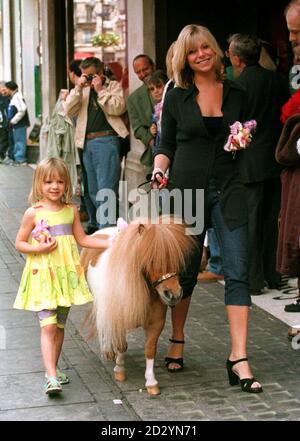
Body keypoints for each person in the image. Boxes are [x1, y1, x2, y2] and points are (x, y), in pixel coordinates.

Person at [152, 24, 262, 393]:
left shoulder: (236, 91)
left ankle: (239, 357)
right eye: (193, 51)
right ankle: (178, 338)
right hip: (187, 190)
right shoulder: (178, 95)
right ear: (184, 58)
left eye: (206, 47)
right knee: (184, 273)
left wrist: (243, 138)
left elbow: (245, 131)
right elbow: (165, 144)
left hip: (229, 188)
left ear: (215, 49)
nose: (202, 54)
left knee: (237, 270)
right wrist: (157, 170)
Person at [13, 157, 110, 395]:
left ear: (67, 184)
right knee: (47, 327)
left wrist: (112, 242)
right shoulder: (33, 213)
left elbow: (83, 240)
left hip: (66, 278)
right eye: (48, 182)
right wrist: (37, 249)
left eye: (59, 181)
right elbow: (19, 243)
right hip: (44, 277)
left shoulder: (71, 211)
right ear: (39, 184)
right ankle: (51, 376)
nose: (54, 186)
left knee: (58, 326)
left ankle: (52, 369)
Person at [227, 34, 289, 294]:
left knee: (251, 223)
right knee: (272, 220)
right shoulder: (277, 80)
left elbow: (236, 129)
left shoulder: (237, 86)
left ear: (237, 59)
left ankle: (253, 280)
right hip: (275, 158)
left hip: (249, 163)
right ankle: (274, 274)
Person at [65, 57, 128, 230]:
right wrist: (78, 86)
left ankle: (106, 233)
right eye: (85, 75)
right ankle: (106, 229)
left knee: (106, 190)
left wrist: (100, 90)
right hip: (87, 143)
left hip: (107, 141)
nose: (88, 78)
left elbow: (118, 107)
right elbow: (68, 110)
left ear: (100, 73)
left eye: (92, 75)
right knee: (92, 190)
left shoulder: (112, 86)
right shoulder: (82, 90)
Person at [127, 54, 155, 167]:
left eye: (145, 69)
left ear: (153, 66)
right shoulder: (133, 99)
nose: (143, 74)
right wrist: (150, 141)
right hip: (154, 153)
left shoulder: (170, 87)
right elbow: (137, 128)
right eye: (138, 72)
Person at [4, 81, 30, 166]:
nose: (5, 90)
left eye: (6, 88)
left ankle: (20, 160)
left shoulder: (17, 97)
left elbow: (22, 109)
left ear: (10, 89)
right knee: (17, 141)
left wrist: (13, 120)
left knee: (19, 141)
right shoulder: (15, 96)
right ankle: (18, 159)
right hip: (17, 124)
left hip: (19, 124)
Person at [146, 70, 168, 159]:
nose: (155, 91)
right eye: (152, 89)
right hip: (159, 149)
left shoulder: (169, 104)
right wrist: (153, 129)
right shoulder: (157, 107)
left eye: (158, 87)